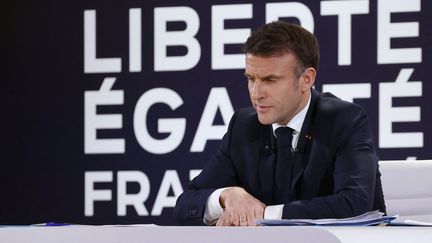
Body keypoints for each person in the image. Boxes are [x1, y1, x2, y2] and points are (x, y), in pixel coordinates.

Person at [174, 21, 386, 226]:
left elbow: (355, 205)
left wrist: (263, 214)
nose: (256, 94)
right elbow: (185, 205)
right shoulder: (243, 126)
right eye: (251, 79)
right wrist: (226, 196)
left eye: (270, 80)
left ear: (306, 79)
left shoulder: (344, 120)